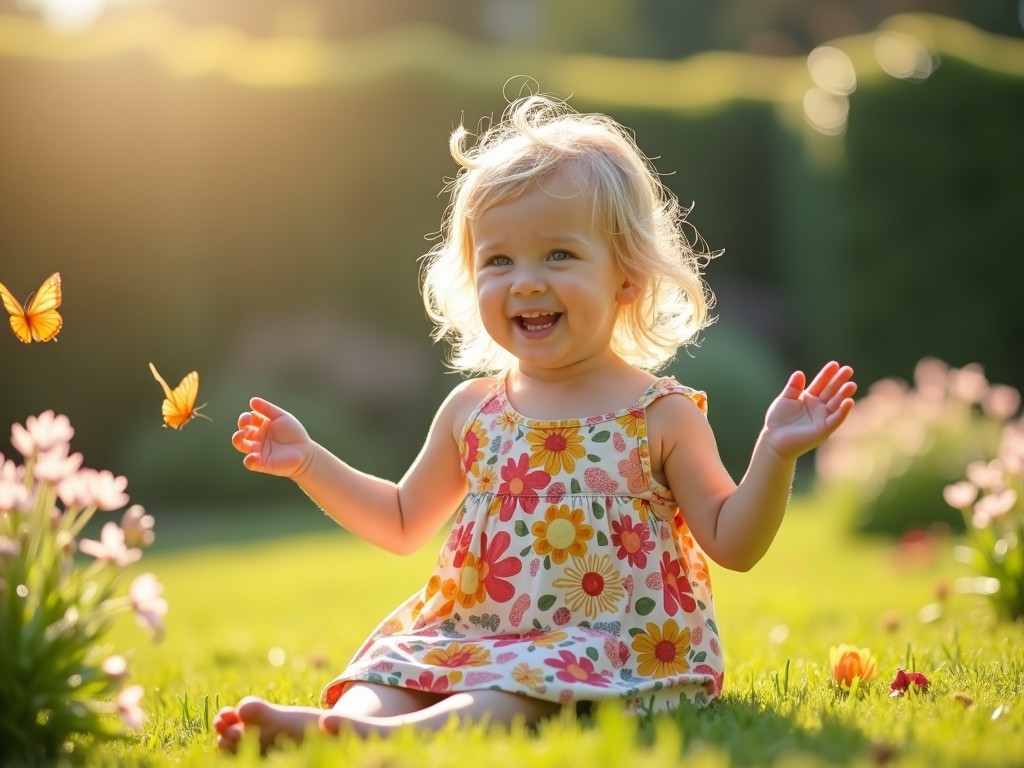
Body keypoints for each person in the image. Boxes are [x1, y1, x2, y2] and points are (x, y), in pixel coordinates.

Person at [214, 93, 856, 753]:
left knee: (512, 688)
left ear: (627, 279)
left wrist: (775, 453)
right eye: (498, 261)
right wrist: (308, 461)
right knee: (392, 662)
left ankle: (385, 740)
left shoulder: (658, 414)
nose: (524, 282)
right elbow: (403, 521)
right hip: (475, 630)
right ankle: (351, 721)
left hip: (610, 645)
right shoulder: (473, 411)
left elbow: (733, 543)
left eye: (557, 255)